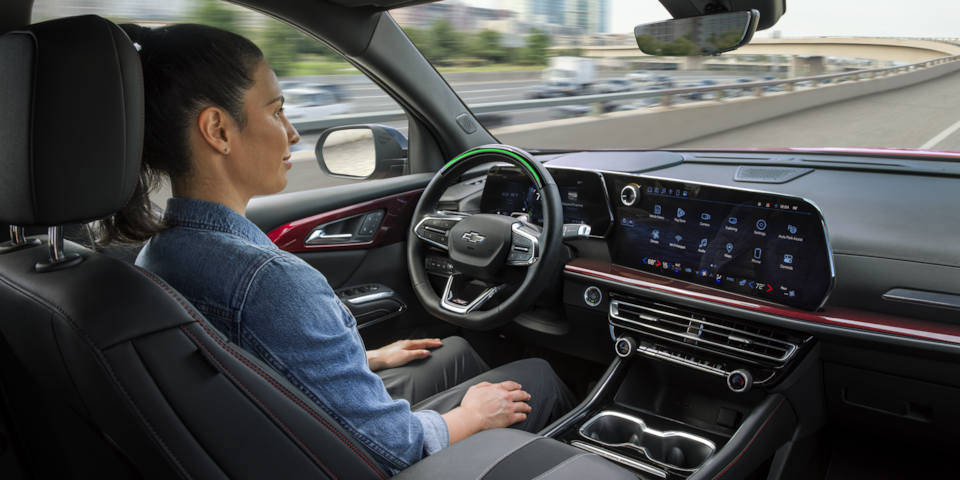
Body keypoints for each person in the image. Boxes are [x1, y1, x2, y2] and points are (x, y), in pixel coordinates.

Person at [99, 23, 577, 475]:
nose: (292, 133)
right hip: (356, 460)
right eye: (276, 110)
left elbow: (240, 372)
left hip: (275, 444)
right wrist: (473, 416)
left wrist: (361, 360)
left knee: (451, 352)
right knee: (536, 376)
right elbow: (395, 448)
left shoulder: (158, 254)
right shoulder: (269, 280)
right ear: (218, 130)